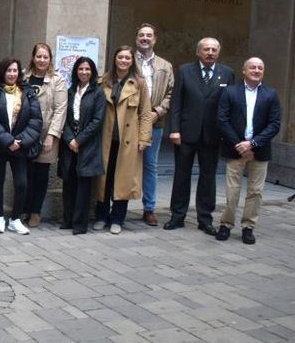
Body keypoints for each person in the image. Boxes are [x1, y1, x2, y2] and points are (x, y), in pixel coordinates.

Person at [165, 37, 234, 235]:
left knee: (208, 178)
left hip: (212, 136)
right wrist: (174, 129)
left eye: (214, 50)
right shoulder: (185, 70)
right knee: (181, 176)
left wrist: (226, 133)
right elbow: (176, 103)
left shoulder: (227, 74)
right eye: (206, 49)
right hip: (186, 134)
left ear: (218, 53)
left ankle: (205, 219)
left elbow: (228, 106)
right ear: (198, 52)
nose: (210, 52)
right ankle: (177, 216)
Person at [216, 57, 281, 244]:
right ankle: (226, 224)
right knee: (232, 191)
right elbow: (222, 120)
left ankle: (248, 227)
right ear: (244, 71)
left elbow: (275, 124)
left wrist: (253, 144)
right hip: (235, 148)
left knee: (255, 191)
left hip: (259, 151)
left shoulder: (271, 94)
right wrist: (240, 144)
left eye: (260, 67)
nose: (256, 70)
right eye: (252, 67)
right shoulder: (230, 92)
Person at [92, 46, 152, 234]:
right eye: (120, 57)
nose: (124, 61)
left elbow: (145, 113)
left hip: (128, 140)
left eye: (127, 58)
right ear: (114, 59)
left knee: (123, 180)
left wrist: (144, 138)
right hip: (106, 138)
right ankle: (101, 216)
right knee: (104, 179)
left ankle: (118, 218)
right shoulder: (103, 81)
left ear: (132, 61)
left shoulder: (139, 83)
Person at [0, 58, 42, 235]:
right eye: (9, 70)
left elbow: (36, 119)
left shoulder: (28, 91)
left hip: (20, 146)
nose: (12, 74)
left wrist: (20, 141)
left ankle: (15, 219)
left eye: (15, 70)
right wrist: (8, 141)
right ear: (2, 72)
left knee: (22, 183)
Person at [22, 43, 67, 228]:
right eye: (38, 56)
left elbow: (60, 110)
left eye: (45, 57)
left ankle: (35, 212)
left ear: (50, 59)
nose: (42, 60)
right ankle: (23, 208)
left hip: (45, 135)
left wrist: (51, 136)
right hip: (24, 134)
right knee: (25, 174)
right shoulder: (23, 77)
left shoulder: (58, 80)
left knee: (41, 176)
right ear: (33, 57)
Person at [58, 57, 105, 235]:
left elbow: (97, 121)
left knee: (84, 187)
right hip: (69, 145)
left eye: (87, 69)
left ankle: (79, 224)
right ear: (75, 71)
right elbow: (63, 117)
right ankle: (67, 220)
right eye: (80, 69)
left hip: (87, 145)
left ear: (92, 72)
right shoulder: (69, 91)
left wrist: (79, 140)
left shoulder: (98, 93)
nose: (84, 72)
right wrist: (70, 139)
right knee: (68, 183)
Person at [134, 23, 173, 226]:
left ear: (155, 39)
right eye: (141, 35)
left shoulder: (165, 66)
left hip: (155, 123)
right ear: (136, 38)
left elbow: (171, 92)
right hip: (130, 123)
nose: (145, 38)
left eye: (149, 35)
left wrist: (158, 112)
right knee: (124, 164)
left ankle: (149, 208)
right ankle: (118, 205)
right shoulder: (127, 61)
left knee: (150, 166)